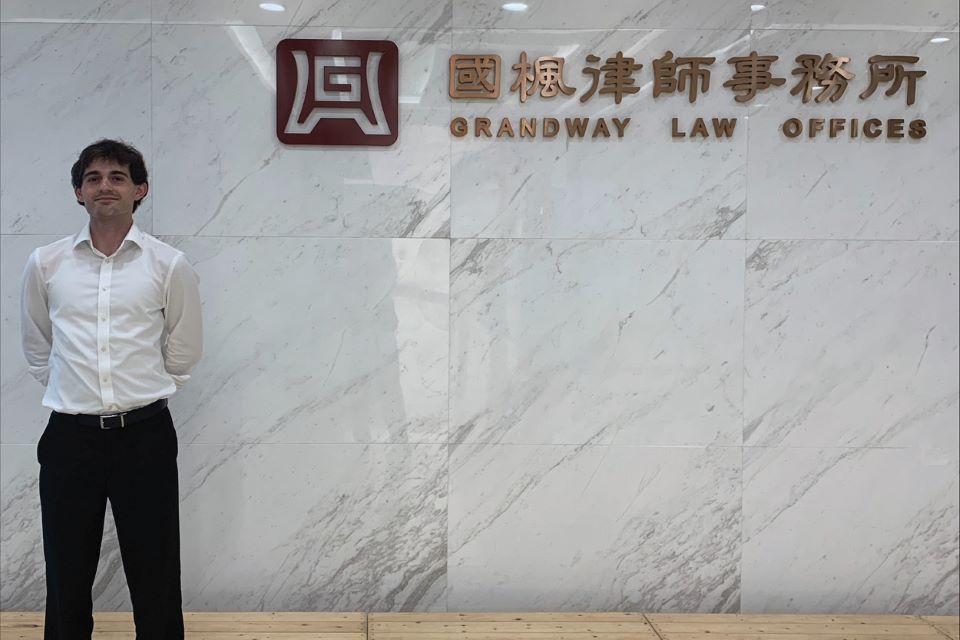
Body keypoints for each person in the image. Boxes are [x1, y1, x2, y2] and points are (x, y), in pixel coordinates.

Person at [20, 139, 202, 639]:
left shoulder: (168, 265)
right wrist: (75, 394)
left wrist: (143, 393)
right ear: (78, 191)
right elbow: (38, 348)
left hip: (144, 436)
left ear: (140, 190)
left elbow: (184, 350)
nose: (106, 185)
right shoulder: (46, 264)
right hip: (68, 439)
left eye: (118, 177)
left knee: (156, 570)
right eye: (94, 177)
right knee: (66, 569)